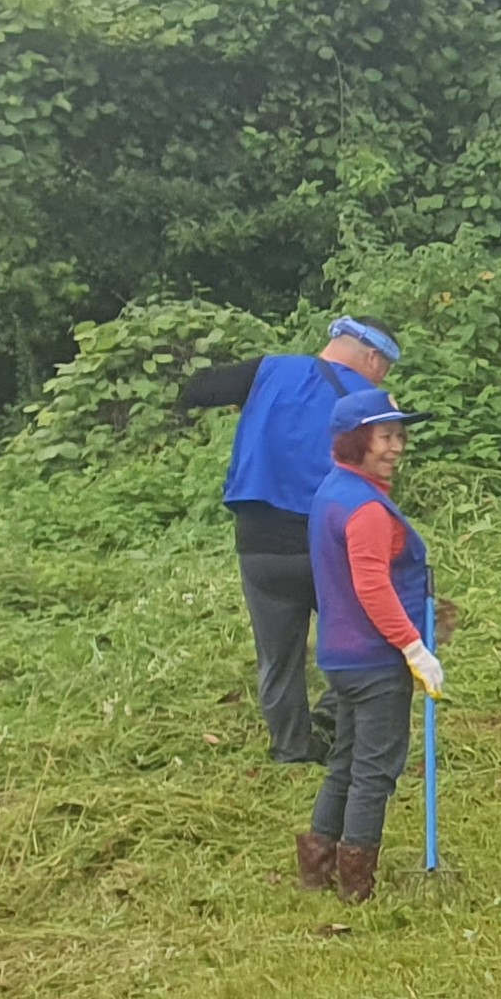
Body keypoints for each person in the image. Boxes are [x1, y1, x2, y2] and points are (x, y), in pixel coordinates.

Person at [180, 317, 403, 762]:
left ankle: (293, 748)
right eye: (387, 366)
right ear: (373, 358)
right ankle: (334, 721)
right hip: (330, 539)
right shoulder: (369, 400)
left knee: (278, 656)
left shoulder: (268, 371)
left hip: (260, 541)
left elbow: (197, 389)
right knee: (369, 636)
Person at [299, 388, 447, 906]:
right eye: (385, 436)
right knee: (373, 770)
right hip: (374, 659)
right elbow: (371, 587)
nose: (396, 446)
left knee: (345, 762)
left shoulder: (332, 491)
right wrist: (414, 648)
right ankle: (356, 885)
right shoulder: (365, 509)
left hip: (340, 656)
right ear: (356, 441)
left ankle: (317, 865)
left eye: (400, 435)